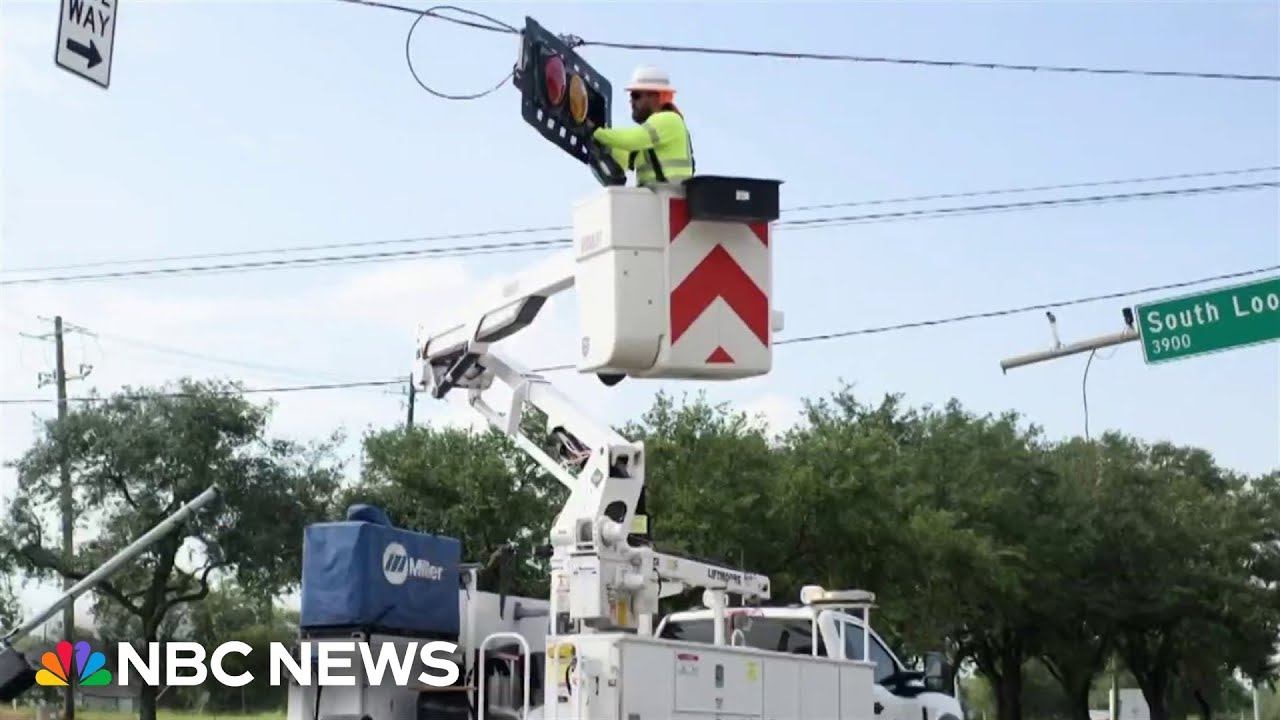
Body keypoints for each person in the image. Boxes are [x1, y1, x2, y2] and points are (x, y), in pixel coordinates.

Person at [589, 65, 696, 188]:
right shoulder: (651, 135)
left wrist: (596, 132)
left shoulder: (669, 119)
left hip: (668, 196)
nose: (631, 102)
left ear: (657, 96)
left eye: (636, 95)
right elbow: (626, 159)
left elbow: (631, 140)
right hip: (658, 197)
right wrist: (602, 146)